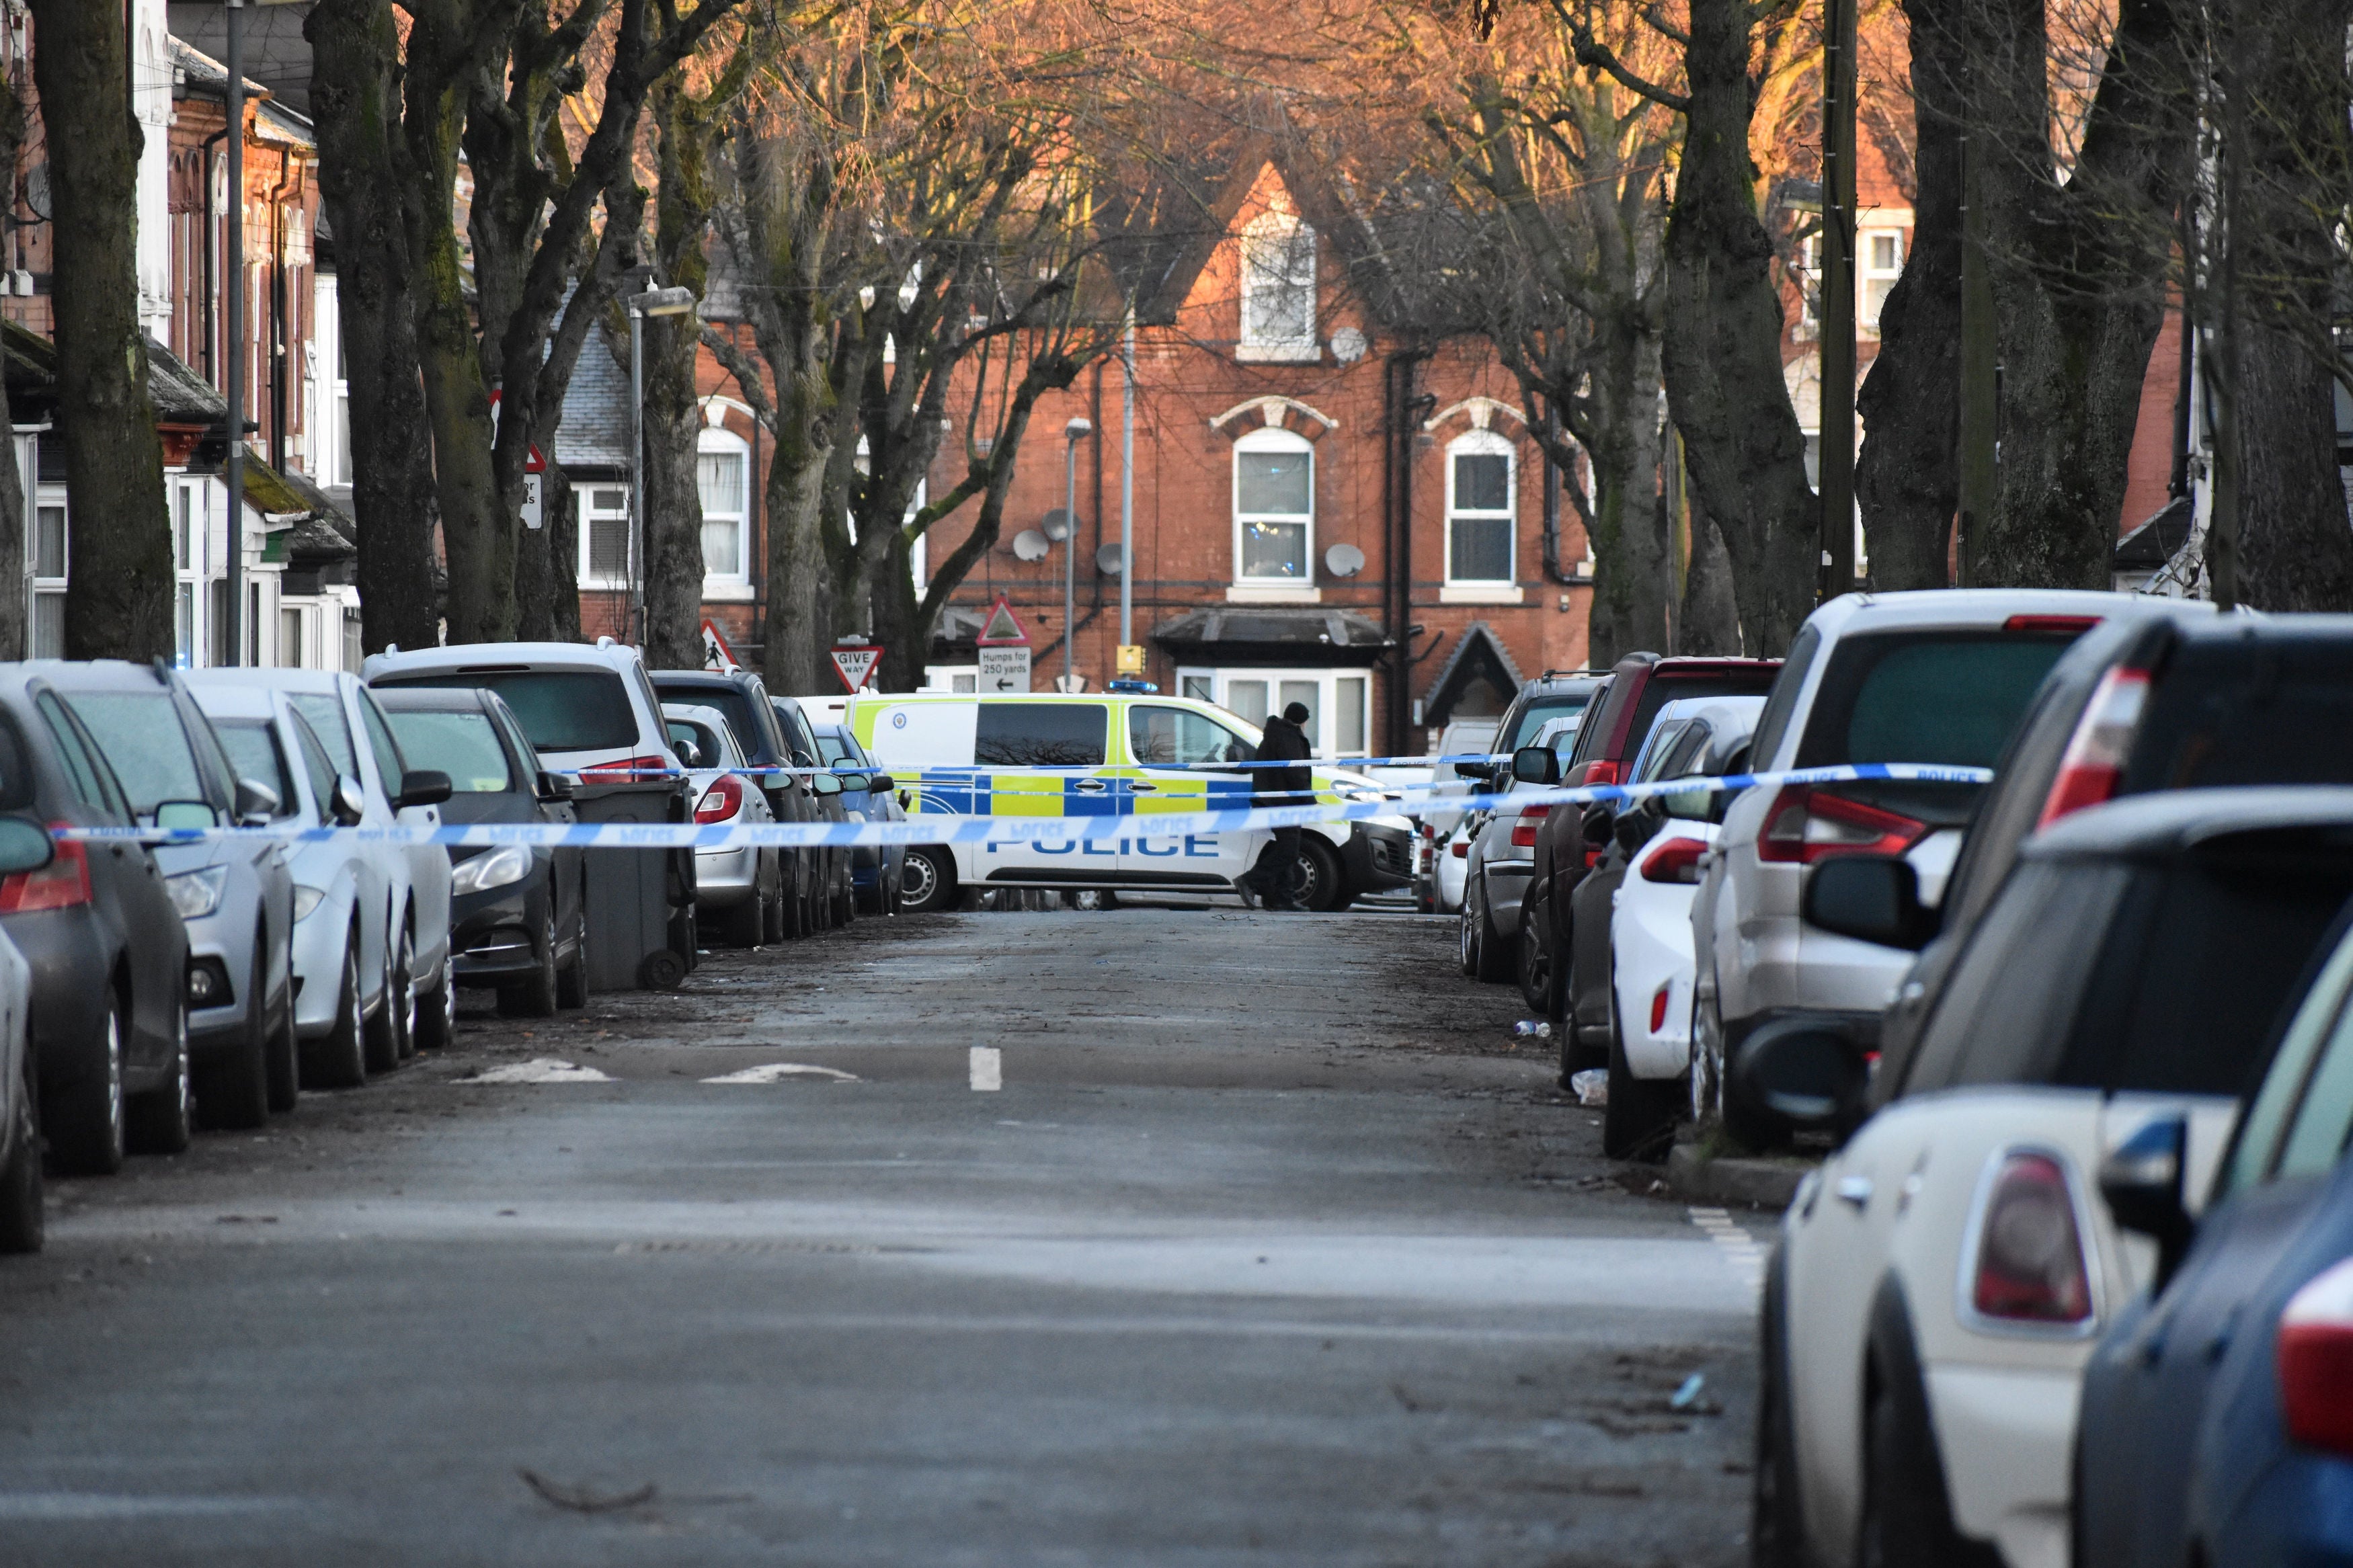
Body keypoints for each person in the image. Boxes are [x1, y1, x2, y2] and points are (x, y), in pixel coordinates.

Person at [1242, 702, 1314, 911]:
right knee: (1289, 850)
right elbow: (1296, 772)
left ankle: (1280, 898)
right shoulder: (1287, 737)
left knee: (1287, 847)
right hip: (1284, 802)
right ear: (1301, 721)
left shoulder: (1276, 733)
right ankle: (1249, 881)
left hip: (1277, 800)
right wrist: (1308, 799)